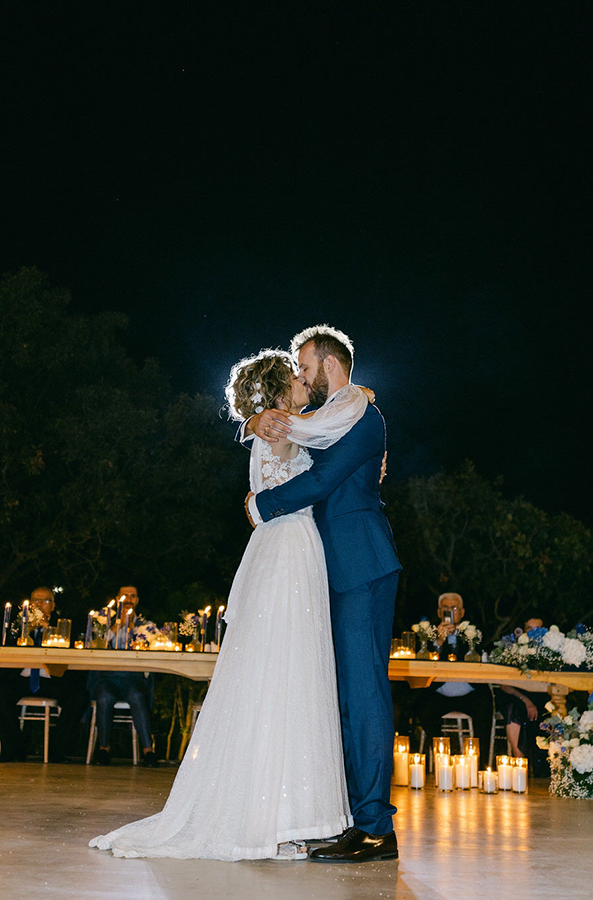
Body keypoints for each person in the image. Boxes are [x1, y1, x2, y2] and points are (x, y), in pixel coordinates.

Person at [90, 348, 367, 860]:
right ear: (282, 390)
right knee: (291, 671)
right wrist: (357, 397)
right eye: (297, 376)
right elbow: (328, 434)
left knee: (281, 672)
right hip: (289, 550)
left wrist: (254, 419)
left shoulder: (273, 424)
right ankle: (284, 816)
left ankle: (280, 811)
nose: (305, 381)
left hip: (278, 549)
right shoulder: (281, 425)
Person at [245, 326, 401, 864]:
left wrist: (258, 508)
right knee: (339, 702)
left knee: (364, 697)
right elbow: (289, 436)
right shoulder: (331, 419)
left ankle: (377, 827)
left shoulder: (363, 417)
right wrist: (253, 419)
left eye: (304, 366)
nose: (301, 376)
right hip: (327, 571)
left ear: (329, 361)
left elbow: (320, 482)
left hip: (361, 565)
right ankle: (353, 820)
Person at [0, 586, 88, 763]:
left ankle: (55, 751)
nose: (39, 605)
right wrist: (25, 630)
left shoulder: (63, 626)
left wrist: (47, 627)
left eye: (45, 601)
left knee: (79, 697)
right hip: (22, 678)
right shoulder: (16, 625)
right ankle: (14, 750)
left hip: (51, 679)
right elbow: (6, 646)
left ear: (52, 605)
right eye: (35, 600)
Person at [413, 593, 492, 767]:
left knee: (485, 706)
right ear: (439, 612)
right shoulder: (428, 633)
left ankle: (481, 766)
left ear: (462, 612)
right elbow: (422, 660)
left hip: (470, 692)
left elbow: (480, 653)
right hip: (440, 693)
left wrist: (458, 635)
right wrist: (439, 640)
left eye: (454, 608)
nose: (450, 612)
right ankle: (445, 758)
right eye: (445, 609)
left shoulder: (472, 632)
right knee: (423, 707)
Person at [87, 585, 157, 767]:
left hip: (133, 678)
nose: (129, 599)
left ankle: (148, 751)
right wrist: (117, 625)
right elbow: (93, 644)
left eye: (133, 596)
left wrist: (134, 630)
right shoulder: (101, 621)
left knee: (136, 695)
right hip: (107, 678)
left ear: (137, 601)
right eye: (125, 595)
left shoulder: (147, 626)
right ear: (117, 599)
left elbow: (154, 649)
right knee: (104, 697)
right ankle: (103, 749)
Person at [495, 617, 550, 775]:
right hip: (516, 696)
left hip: (541, 697)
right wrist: (525, 700)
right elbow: (504, 684)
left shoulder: (550, 655)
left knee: (546, 711)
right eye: (529, 629)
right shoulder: (513, 651)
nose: (532, 634)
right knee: (514, 707)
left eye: (537, 629)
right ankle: (519, 762)